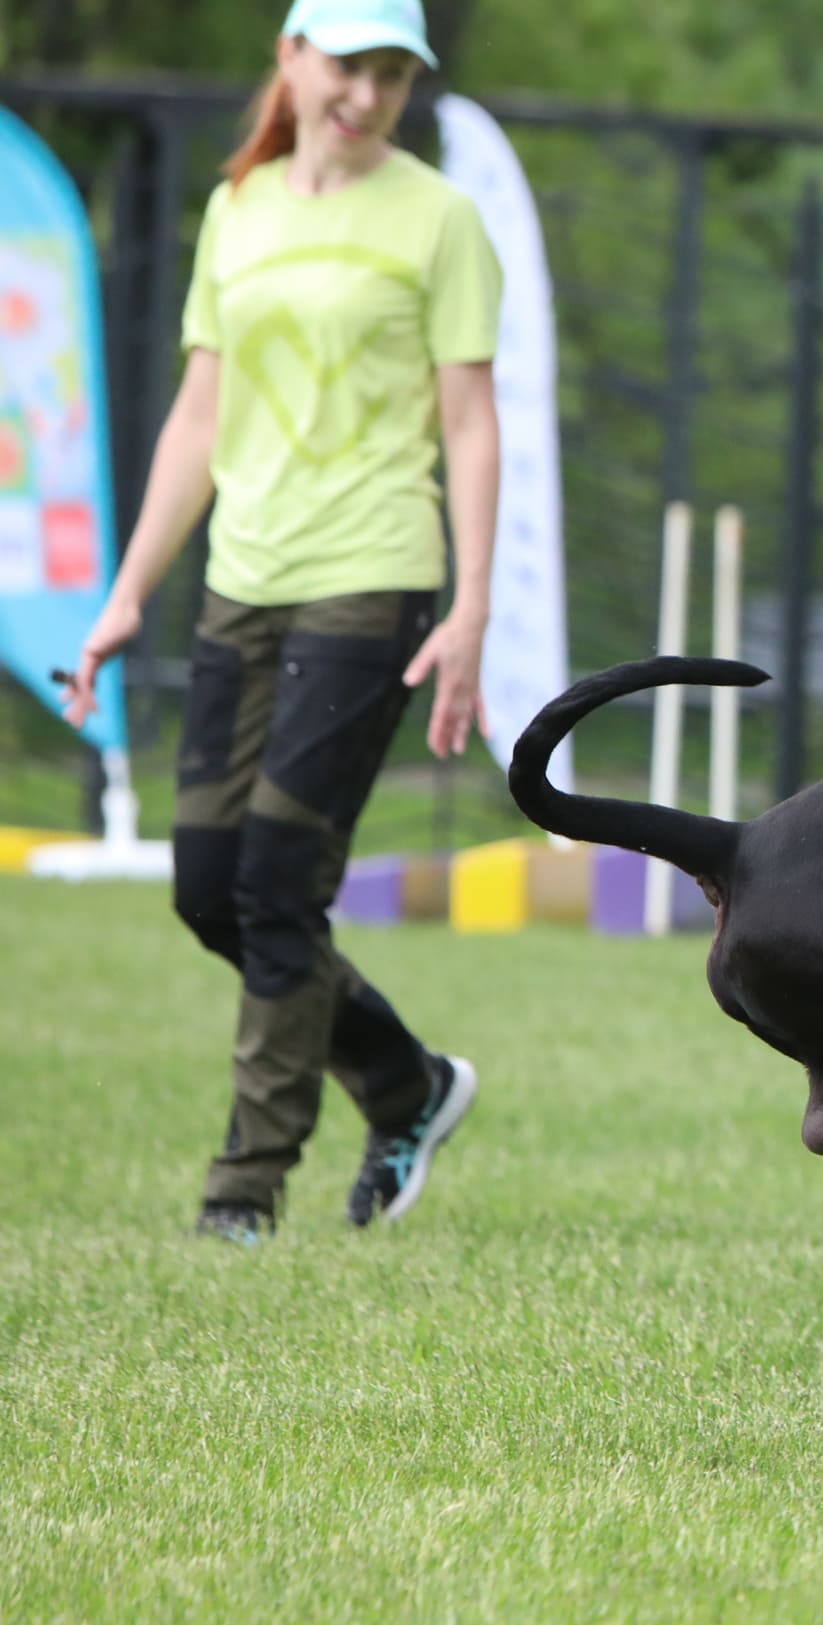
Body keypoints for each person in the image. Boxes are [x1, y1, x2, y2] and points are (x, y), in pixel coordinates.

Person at [58, 0, 501, 1245]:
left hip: (375, 572)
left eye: (392, 74)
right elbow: (200, 416)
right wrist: (127, 591)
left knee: (277, 880)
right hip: (243, 577)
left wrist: (469, 606)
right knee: (211, 888)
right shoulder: (237, 209)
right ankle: (407, 1083)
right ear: (292, 59)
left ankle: (242, 1190)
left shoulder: (439, 217)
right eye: (348, 66)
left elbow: (470, 420)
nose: (366, 94)